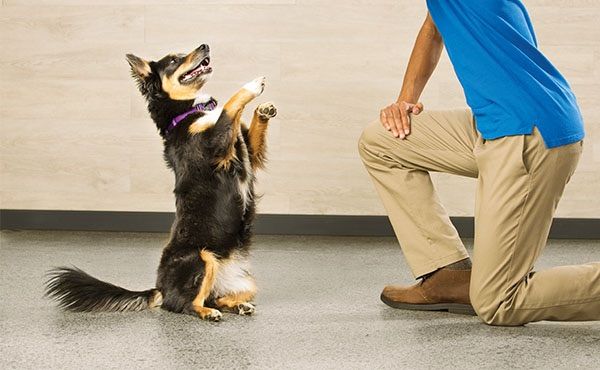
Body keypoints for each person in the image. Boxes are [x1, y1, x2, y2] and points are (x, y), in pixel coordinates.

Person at [358, 0, 599, 326]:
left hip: (529, 135)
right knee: (381, 142)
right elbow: (433, 28)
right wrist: (405, 101)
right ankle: (448, 275)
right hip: (500, 125)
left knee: (499, 301)